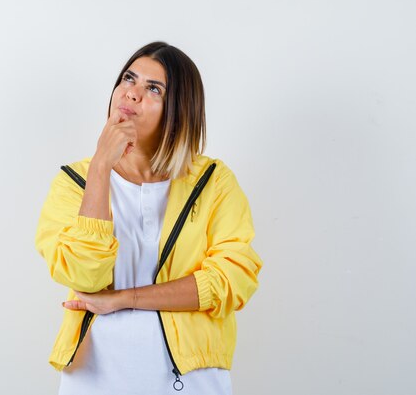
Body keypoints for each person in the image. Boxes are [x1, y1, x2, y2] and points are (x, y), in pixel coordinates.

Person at [34, 41, 263, 394]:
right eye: (129, 78)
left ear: (179, 109)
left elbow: (231, 280)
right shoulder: (74, 182)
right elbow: (83, 274)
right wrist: (100, 167)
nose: (132, 93)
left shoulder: (213, 181)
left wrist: (125, 298)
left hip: (192, 381)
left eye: (153, 88)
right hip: (94, 380)